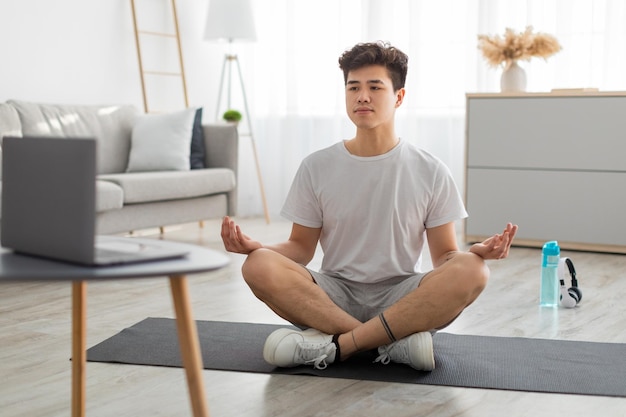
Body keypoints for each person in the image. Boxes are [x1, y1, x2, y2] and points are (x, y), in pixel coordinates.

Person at [221, 41, 518, 371]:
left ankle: (340, 345)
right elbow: (300, 248)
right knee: (258, 264)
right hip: (333, 296)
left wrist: (476, 251)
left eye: (375, 87)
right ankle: (391, 343)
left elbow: (445, 257)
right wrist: (257, 247)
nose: (362, 96)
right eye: (354, 87)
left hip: (404, 297)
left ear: (399, 97)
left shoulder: (430, 169)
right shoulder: (316, 166)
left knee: (473, 270)